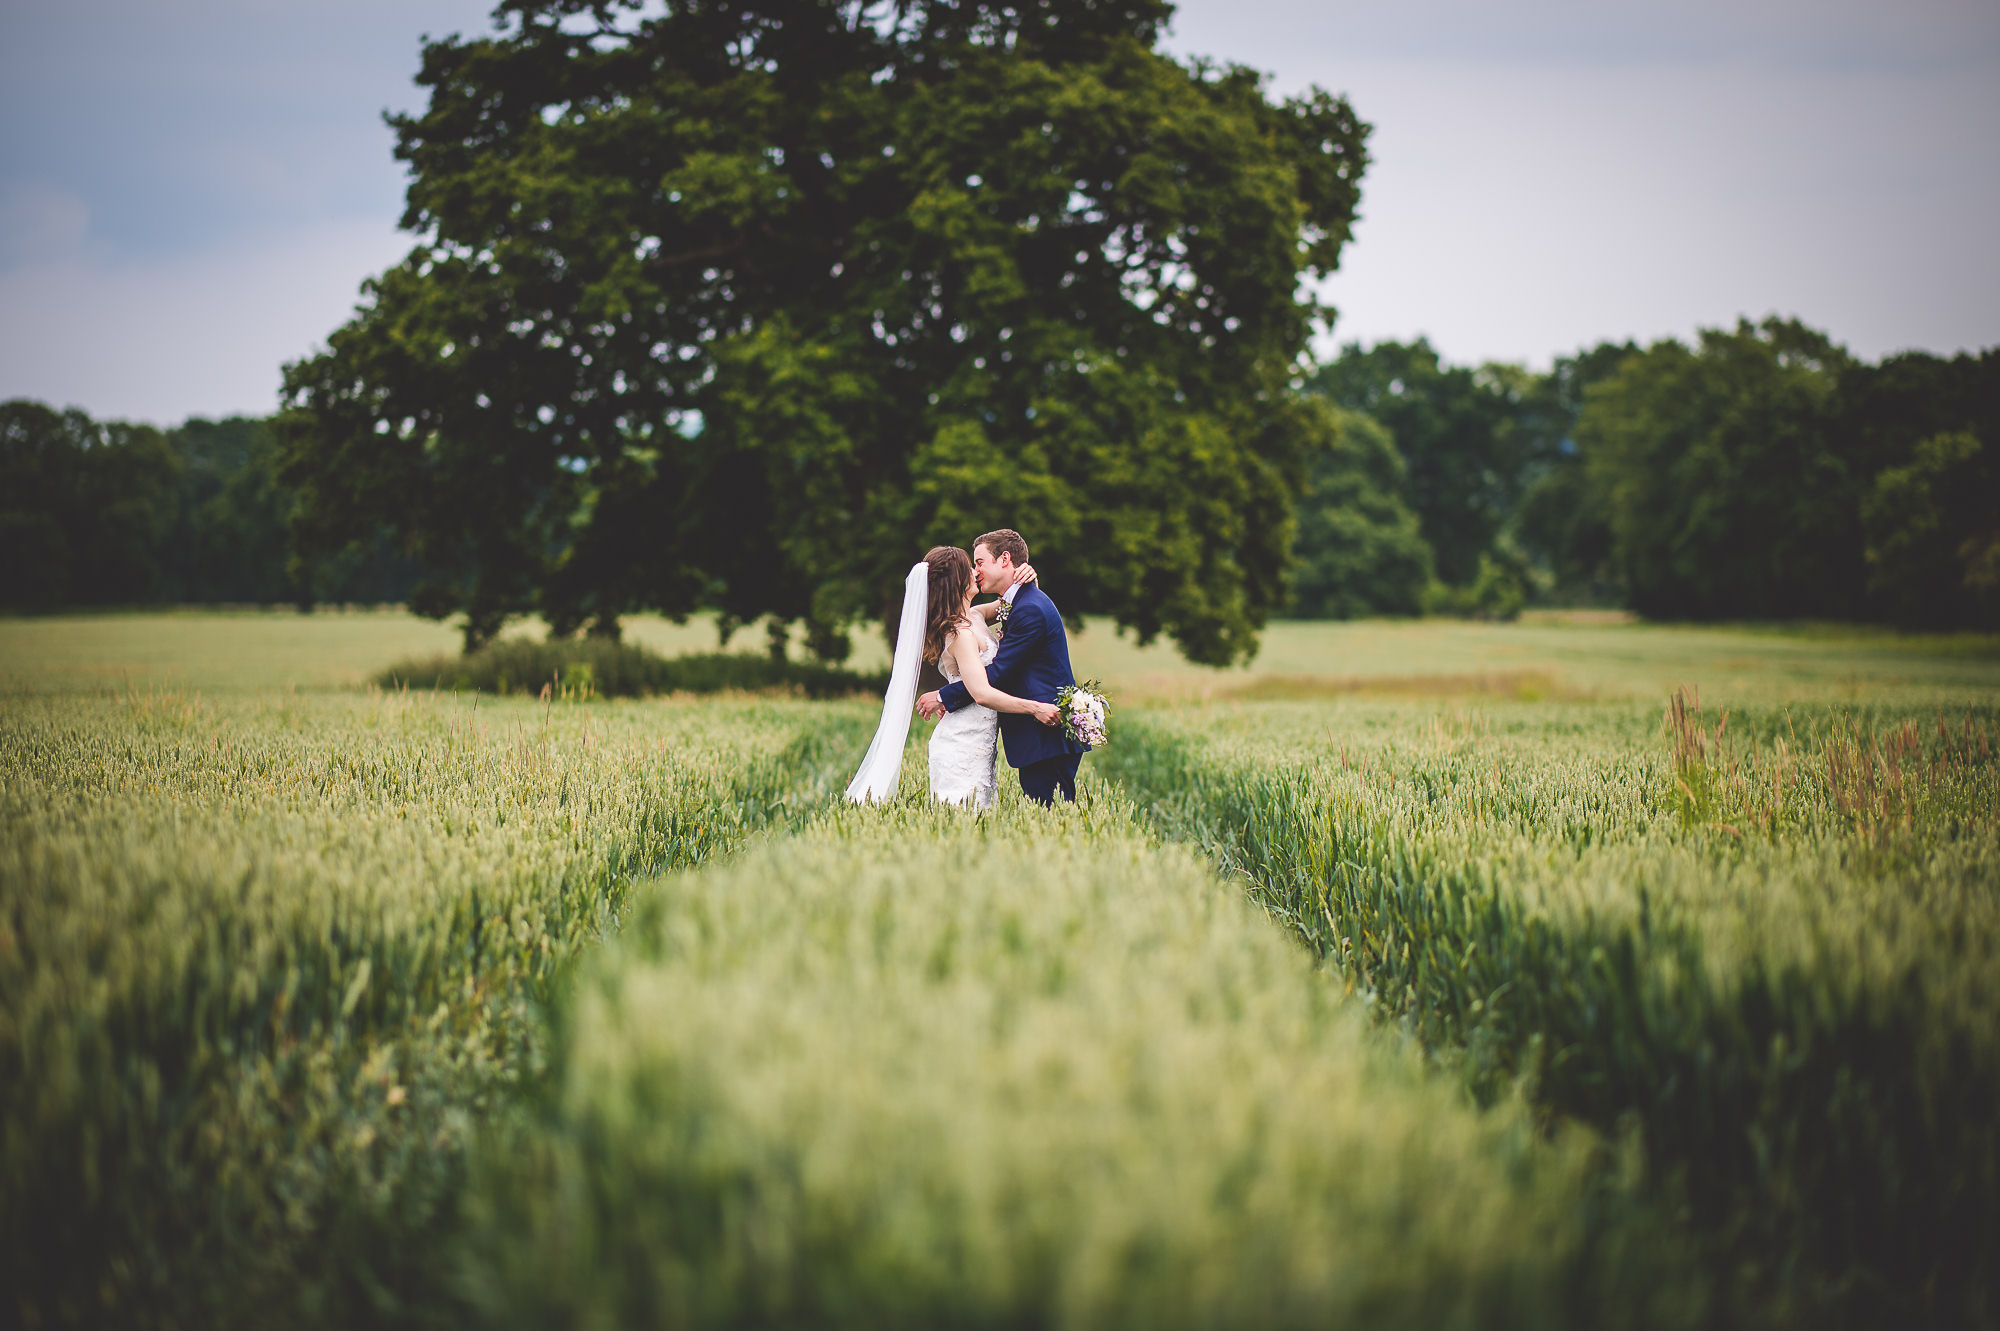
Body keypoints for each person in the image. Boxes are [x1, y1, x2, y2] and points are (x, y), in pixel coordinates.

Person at [844, 541, 1059, 808]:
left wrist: (1027, 576)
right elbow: (981, 693)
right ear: (956, 581)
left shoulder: (976, 616)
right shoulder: (960, 634)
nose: (975, 571)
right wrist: (1035, 707)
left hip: (980, 745)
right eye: (970, 567)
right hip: (961, 746)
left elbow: (1018, 603)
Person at [920, 529, 1088, 805]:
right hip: (976, 738)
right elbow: (1005, 606)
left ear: (1005, 559)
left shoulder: (1022, 608)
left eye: (979, 562)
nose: (976, 571)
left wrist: (943, 696)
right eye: (971, 566)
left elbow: (996, 673)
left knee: (1050, 817)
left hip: (1044, 734)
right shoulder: (977, 619)